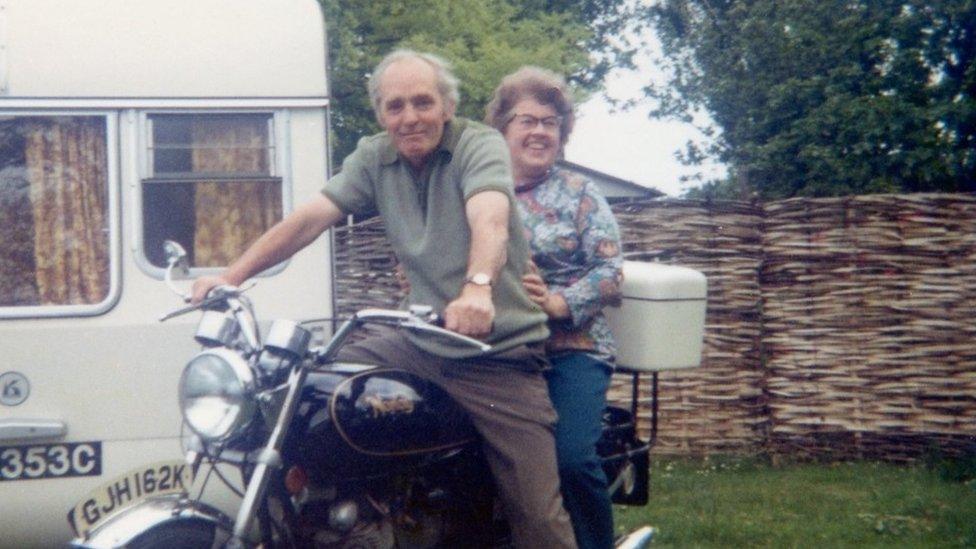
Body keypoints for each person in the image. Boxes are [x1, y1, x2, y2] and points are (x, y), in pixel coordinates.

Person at [191, 50, 577, 549]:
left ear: (446, 106)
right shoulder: (375, 157)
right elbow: (310, 218)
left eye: (423, 102)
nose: (410, 117)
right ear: (381, 115)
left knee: (537, 517)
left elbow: (491, 220)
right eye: (395, 107)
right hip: (418, 341)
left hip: (496, 354)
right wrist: (231, 276)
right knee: (303, 390)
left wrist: (478, 288)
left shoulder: (478, 146)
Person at [485, 66, 624, 549]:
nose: (540, 131)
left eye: (551, 122)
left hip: (572, 349)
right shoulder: (479, 192)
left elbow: (611, 274)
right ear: (502, 128)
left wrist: (559, 303)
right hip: (497, 349)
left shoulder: (580, 193)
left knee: (567, 459)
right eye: (527, 120)